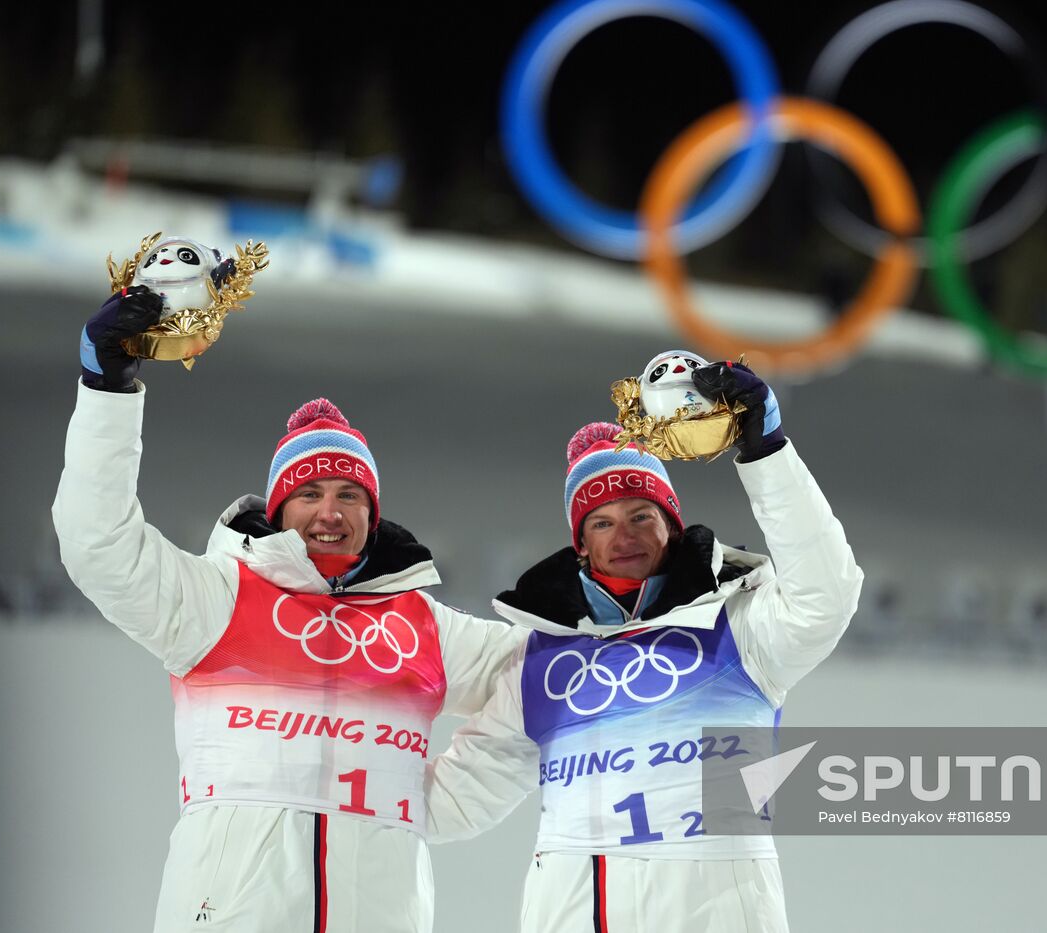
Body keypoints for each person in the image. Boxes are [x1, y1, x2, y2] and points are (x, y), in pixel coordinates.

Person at [53, 282, 522, 933]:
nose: (329, 511)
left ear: (372, 512)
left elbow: (549, 677)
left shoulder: (419, 623)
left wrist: (445, 799)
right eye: (309, 493)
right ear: (277, 510)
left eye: (349, 494)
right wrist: (106, 391)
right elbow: (98, 544)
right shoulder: (218, 597)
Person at [423, 357, 864, 932]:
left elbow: (825, 596)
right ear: (580, 545)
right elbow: (454, 800)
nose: (623, 536)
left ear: (672, 527)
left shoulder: (738, 627)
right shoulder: (542, 662)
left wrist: (768, 454)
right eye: (601, 523)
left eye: (640, 515)